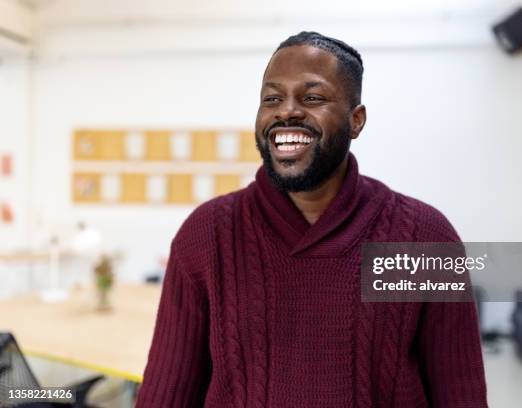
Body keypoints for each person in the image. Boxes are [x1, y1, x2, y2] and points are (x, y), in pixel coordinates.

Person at [136, 31, 487, 407]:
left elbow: (460, 393)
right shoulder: (206, 235)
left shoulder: (423, 238)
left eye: (312, 97)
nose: (286, 111)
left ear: (356, 121)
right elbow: (165, 395)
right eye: (271, 98)